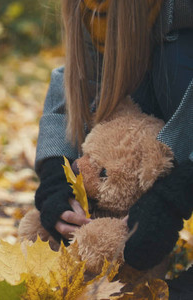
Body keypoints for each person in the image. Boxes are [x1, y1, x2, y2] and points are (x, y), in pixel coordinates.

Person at [33, 0, 193, 297]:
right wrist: (57, 175)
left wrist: (175, 195)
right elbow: (81, 80)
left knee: (174, 60)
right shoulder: (93, 9)